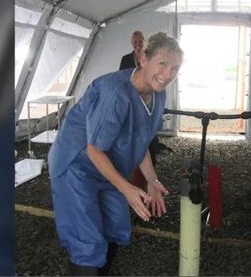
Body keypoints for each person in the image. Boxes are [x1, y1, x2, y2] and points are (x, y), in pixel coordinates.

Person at [48, 32, 183, 276]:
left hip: (109, 167)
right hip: (77, 166)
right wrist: (127, 188)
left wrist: (152, 180)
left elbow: (139, 139)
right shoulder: (115, 93)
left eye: (175, 68)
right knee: (86, 241)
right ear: (143, 59)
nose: (168, 74)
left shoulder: (158, 93)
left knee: (115, 226)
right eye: (162, 63)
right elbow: (94, 149)